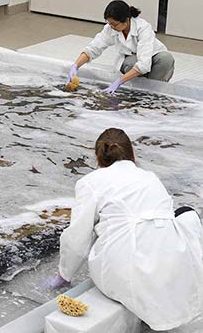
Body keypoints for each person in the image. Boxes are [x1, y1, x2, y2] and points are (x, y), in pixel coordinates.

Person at [49, 128, 203, 331]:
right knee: (183, 213)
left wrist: (64, 275)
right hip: (173, 266)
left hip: (125, 271)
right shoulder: (150, 177)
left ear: (98, 157)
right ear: (133, 154)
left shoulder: (90, 182)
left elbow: (77, 238)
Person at [67, 0, 175, 94]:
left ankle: (152, 92)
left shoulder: (143, 28)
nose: (111, 27)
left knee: (166, 59)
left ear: (126, 20)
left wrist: (118, 81)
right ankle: (139, 91)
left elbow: (144, 64)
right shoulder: (110, 28)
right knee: (131, 64)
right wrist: (75, 66)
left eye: (114, 24)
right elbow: (93, 48)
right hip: (130, 61)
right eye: (109, 23)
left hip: (153, 58)